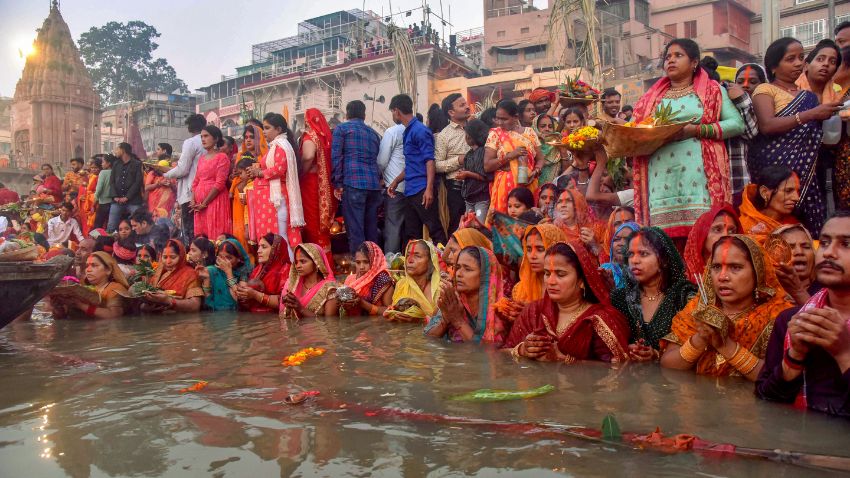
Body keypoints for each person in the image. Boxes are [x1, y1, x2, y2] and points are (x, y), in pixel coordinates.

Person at [631, 38, 744, 241]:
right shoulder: (649, 98)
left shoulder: (713, 90)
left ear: (694, 63)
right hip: (659, 179)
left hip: (699, 178)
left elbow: (736, 124)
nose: (671, 61)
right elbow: (633, 131)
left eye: (678, 55)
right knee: (664, 243)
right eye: (667, 57)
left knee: (703, 237)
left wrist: (696, 130)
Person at [756, 211, 850, 418]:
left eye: (846, 244)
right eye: (824, 243)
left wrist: (844, 353)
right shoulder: (792, 320)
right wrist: (794, 357)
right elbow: (766, 403)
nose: (829, 253)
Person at [660, 235, 793, 380]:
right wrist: (700, 338)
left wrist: (725, 346)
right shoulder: (697, 310)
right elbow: (667, 366)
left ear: (757, 272)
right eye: (716, 267)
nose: (722, 277)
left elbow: (778, 379)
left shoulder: (777, 316)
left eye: (735, 267)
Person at [750, 37, 843, 237]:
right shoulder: (765, 90)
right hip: (775, 168)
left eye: (801, 57)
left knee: (806, 230)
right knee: (775, 228)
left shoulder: (807, 96)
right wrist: (811, 114)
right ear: (774, 66)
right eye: (790, 59)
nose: (799, 63)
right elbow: (767, 125)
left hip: (807, 174)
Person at [505, 241, 630, 363]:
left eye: (560, 274)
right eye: (547, 273)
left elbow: (621, 369)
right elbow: (502, 356)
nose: (551, 281)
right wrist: (523, 350)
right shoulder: (534, 311)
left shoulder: (600, 319)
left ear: (581, 280)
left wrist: (564, 360)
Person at [611, 227, 697, 360]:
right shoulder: (620, 298)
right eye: (630, 254)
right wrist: (626, 350)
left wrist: (657, 355)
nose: (634, 261)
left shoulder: (684, 296)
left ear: (663, 260)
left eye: (643, 254)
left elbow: (696, 347)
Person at [386, 94, 447, 245]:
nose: (393, 115)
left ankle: (447, 265)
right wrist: (395, 181)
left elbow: (429, 161)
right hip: (411, 190)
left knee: (435, 230)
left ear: (397, 111)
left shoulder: (419, 130)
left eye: (392, 112)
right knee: (412, 235)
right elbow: (412, 164)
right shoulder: (409, 131)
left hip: (421, 190)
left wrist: (429, 189)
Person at [247, 113, 305, 259]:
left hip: (277, 200)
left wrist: (259, 172)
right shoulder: (275, 146)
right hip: (271, 201)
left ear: (278, 129)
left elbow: (280, 169)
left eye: (267, 128)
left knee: (280, 238)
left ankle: (287, 271)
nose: (264, 131)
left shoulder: (281, 146)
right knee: (276, 237)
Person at [426, 246, 508, 344]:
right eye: (457, 267)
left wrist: (458, 321)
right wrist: (445, 319)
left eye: (468, 269)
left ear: (486, 275)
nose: (458, 274)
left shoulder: (503, 310)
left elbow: (487, 352)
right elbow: (428, 339)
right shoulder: (453, 300)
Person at [331, 100, 382, 254]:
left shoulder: (341, 129)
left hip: (353, 183)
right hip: (373, 185)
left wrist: (337, 182)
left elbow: (336, 157)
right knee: (371, 228)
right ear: (364, 115)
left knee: (355, 230)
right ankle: (375, 264)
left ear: (347, 114)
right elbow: (377, 157)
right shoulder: (373, 133)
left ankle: (360, 268)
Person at [483, 100, 543, 221]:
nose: (499, 123)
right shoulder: (495, 134)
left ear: (515, 117)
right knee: (503, 226)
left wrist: (536, 171)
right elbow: (487, 165)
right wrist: (510, 156)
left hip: (528, 185)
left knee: (528, 223)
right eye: (497, 118)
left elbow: (541, 159)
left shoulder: (530, 133)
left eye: (504, 119)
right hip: (505, 188)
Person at [299, 108, 337, 253]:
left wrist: (302, 170)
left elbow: (308, 156)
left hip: (310, 184)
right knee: (321, 224)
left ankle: (318, 261)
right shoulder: (325, 137)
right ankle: (326, 261)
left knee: (313, 223)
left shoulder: (310, 137)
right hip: (324, 183)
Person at [165, 114, 205, 245]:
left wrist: (166, 174)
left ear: (189, 127)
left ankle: (191, 256)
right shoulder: (208, 141)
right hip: (205, 191)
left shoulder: (191, 142)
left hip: (190, 192)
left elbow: (183, 169)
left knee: (190, 232)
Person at [434, 93, 472, 234]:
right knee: (457, 226)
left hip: (478, 184)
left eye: (466, 103)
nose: (467, 107)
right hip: (456, 188)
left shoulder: (475, 126)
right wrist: (458, 161)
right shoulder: (444, 135)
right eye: (462, 105)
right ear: (451, 112)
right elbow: (437, 165)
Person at [726, 65, 764, 201]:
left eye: (753, 82)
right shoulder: (728, 109)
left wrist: (742, 98)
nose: (746, 85)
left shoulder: (768, 109)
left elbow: (751, 132)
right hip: (735, 182)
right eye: (740, 82)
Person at [738, 165, 801, 243]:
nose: (796, 198)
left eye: (798, 191)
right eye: (788, 191)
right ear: (764, 192)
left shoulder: (794, 226)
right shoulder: (742, 227)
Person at [190, 125, 231, 240]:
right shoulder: (202, 158)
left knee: (215, 236)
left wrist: (205, 202)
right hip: (199, 205)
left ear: (216, 138)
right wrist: (193, 200)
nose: (203, 139)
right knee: (201, 238)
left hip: (215, 201)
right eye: (202, 136)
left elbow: (220, 183)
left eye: (206, 136)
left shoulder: (222, 157)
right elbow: (195, 182)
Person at [140, 239, 204, 313]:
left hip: (181, 322)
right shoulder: (157, 272)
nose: (168, 262)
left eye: (173, 257)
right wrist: (146, 307)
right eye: (165, 257)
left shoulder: (190, 274)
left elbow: (195, 306)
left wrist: (168, 301)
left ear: (181, 256)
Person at [58, 252, 128, 319]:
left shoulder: (115, 289)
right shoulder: (82, 287)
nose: (88, 270)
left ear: (108, 270)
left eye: (94, 265)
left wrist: (80, 305)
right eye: (87, 266)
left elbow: (114, 315)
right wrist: (59, 307)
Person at [280, 243, 340, 318]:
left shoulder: (330, 289)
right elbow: (284, 318)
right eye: (296, 262)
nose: (298, 266)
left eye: (303, 261)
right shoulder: (292, 285)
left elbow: (329, 323)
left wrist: (300, 309)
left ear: (316, 263)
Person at [683, 204, 741, 282]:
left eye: (732, 231)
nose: (726, 235)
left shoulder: (744, 272)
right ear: (702, 236)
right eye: (717, 229)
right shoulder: (684, 281)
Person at [386, 240, 441, 322]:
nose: (410, 260)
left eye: (417, 256)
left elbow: (445, 323)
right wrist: (391, 313)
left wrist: (421, 320)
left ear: (430, 261)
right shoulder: (401, 284)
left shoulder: (440, 287)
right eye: (407, 255)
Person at [512, 224, 568, 304]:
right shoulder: (520, 289)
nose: (532, 256)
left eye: (540, 249)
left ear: (557, 250)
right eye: (529, 249)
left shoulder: (568, 289)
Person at [236, 233, 290, 313]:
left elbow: (285, 301)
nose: (258, 251)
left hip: (275, 320)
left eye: (264, 247)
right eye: (259, 247)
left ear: (276, 249)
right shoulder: (257, 270)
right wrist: (243, 295)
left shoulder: (286, 270)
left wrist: (255, 295)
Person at [197, 238, 253, 311]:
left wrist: (229, 273)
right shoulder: (213, 270)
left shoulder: (245, 271)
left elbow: (239, 297)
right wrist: (206, 279)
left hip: (236, 318)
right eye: (220, 257)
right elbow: (208, 300)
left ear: (239, 258)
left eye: (229, 258)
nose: (223, 261)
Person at [377, 116, 407, 254]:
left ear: (396, 111)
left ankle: (392, 266)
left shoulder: (392, 132)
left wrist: (383, 177)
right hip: (413, 186)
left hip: (394, 187)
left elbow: (382, 161)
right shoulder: (415, 130)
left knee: (393, 228)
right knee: (408, 229)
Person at [341, 241, 395, 316]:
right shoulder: (350, 279)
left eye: (366, 262)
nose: (361, 267)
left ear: (375, 261)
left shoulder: (383, 280)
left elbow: (390, 311)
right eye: (358, 262)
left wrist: (363, 303)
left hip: (375, 325)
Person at [774, 224, 818, 306]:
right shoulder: (764, 296)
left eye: (806, 247)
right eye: (790, 247)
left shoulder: (829, 291)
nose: (799, 252)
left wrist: (799, 292)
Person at [458, 119, 492, 225]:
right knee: (468, 225)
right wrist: (464, 173)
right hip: (470, 198)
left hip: (481, 198)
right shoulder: (469, 154)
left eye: (467, 134)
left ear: (471, 136)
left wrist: (467, 174)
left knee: (479, 225)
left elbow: (485, 177)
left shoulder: (482, 152)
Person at [107, 143, 144, 232]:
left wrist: (127, 197)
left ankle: (138, 243)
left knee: (138, 224)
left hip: (133, 200)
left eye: (117, 149)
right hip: (117, 200)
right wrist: (115, 196)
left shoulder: (137, 164)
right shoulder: (116, 164)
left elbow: (137, 182)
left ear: (123, 150)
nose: (115, 151)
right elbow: (112, 182)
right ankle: (109, 244)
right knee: (111, 225)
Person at [795, 39, 842, 104]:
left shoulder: (840, 95)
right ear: (806, 65)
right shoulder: (790, 89)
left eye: (832, 62)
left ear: (835, 71)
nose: (826, 64)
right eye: (820, 59)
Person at [600, 221, 640, 290]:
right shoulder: (605, 270)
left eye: (628, 239)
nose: (620, 244)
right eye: (616, 239)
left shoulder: (643, 273)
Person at [532, 114, 565, 185]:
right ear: (535, 128)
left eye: (550, 127)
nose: (547, 129)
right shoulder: (531, 144)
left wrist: (563, 151)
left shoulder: (558, 142)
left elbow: (567, 169)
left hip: (554, 188)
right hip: (533, 186)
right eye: (542, 126)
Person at [93, 155, 114, 230]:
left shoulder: (103, 172)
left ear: (108, 163)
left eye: (103, 162)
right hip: (113, 203)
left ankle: (96, 240)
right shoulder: (115, 172)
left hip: (103, 203)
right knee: (110, 225)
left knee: (98, 225)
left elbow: (99, 188)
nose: (101, 164)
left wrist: (94, 200)